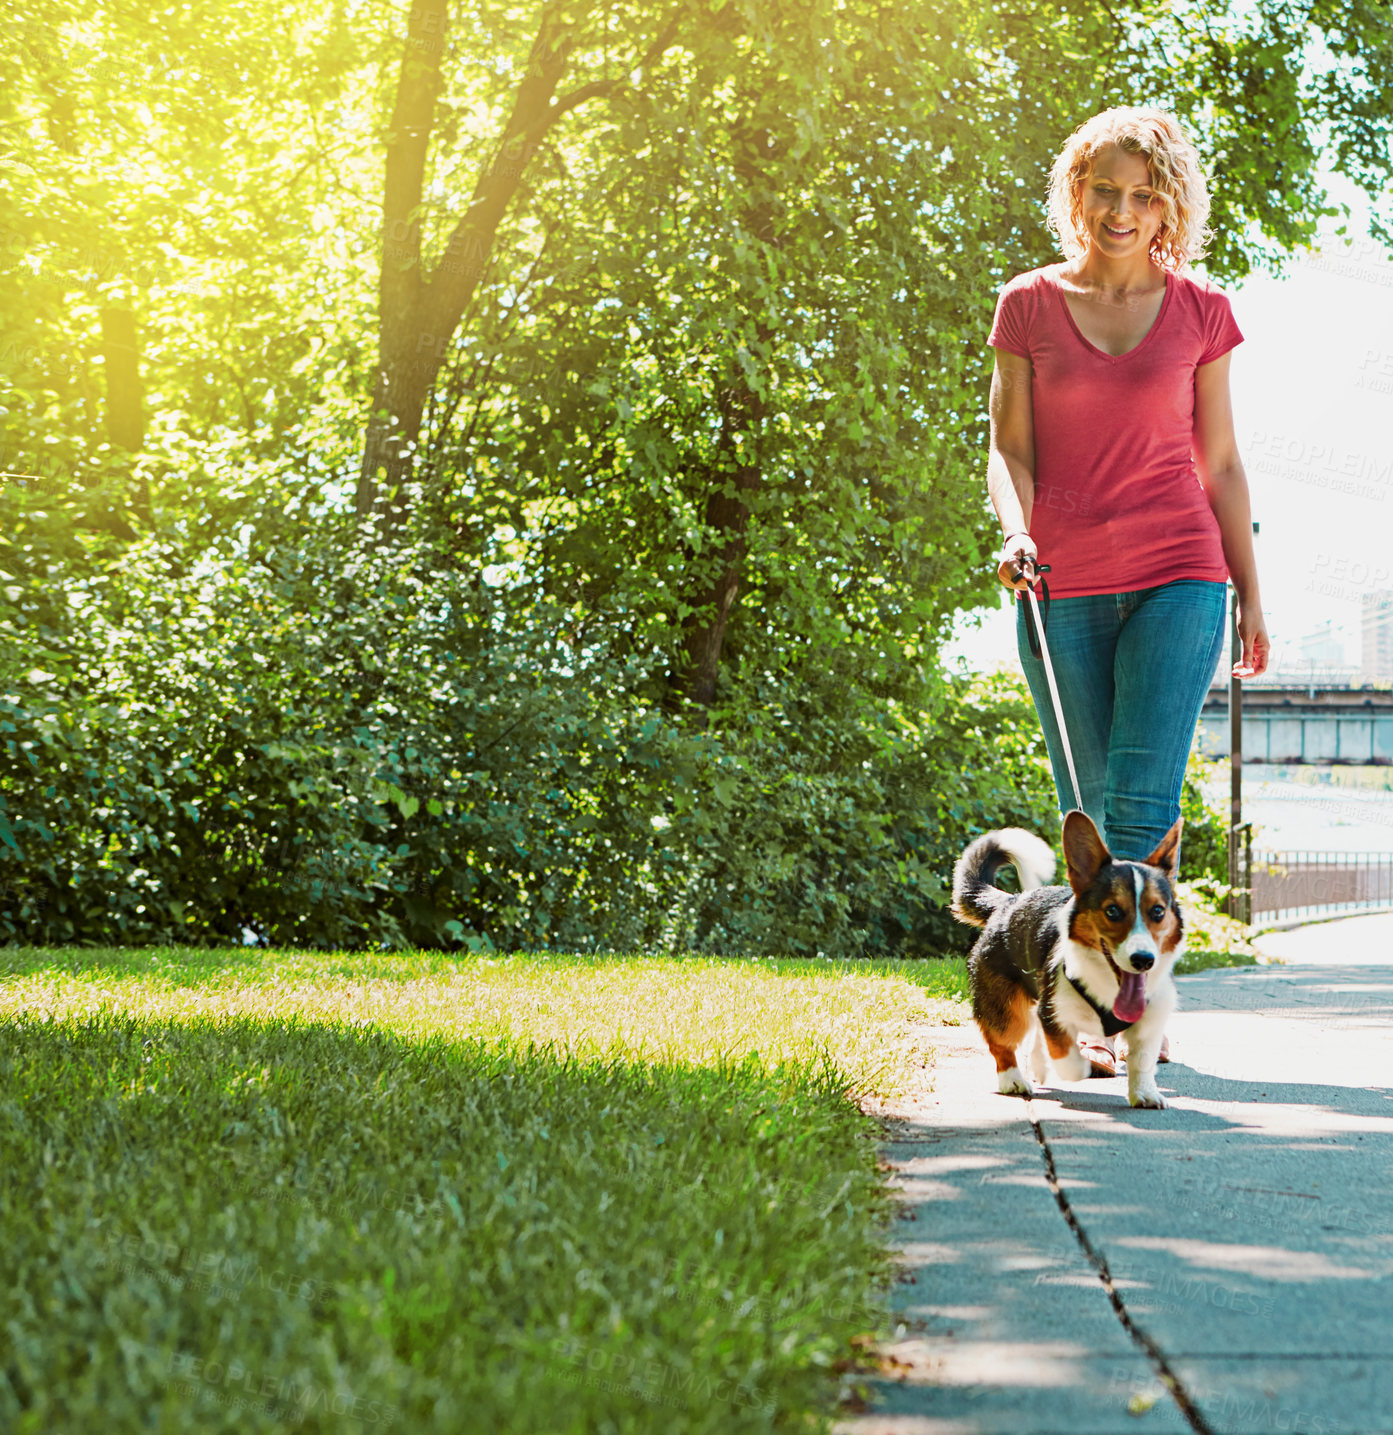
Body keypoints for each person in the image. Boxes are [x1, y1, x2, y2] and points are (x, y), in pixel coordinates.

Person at [985, 106, 1269, 1077]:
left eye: (1142, 195)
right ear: (1076, 192)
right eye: (1103, 189)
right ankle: (1091, 1017)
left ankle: (1131, 1025)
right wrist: (1015, 529)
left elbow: (1221, 463)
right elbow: (1006, 447)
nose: (1120, 209)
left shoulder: (1201, 311)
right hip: (1055, 583)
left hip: (1180, 576)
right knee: (1087, 827)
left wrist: (1252, 595)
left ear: (1168, 206)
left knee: (1140, 812)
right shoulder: (1026, 304)